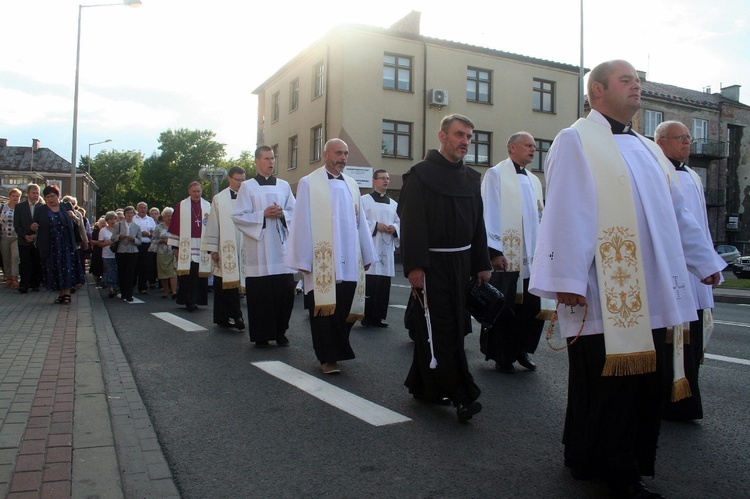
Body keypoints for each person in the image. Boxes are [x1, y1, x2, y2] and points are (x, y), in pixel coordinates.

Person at [528, 60, 725, 498]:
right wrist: (567, 278)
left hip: (655, 288)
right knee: (606, 385)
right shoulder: (576, 140)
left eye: (639, 81)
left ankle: (597, 458)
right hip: (605, 289)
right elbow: (566, 209)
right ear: (597, 90)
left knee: (641, 385)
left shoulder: (651, 150)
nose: (637, 86)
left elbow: (678, 215)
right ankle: (615, 471)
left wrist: (704, 259)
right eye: (626, 80)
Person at [398, 114, 492, 423]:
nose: (465, 141)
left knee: (449, 325)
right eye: (459, 134)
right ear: (442, 136)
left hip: (462, 262)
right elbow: (412, 224)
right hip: (432, 264)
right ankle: (463, 396)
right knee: (442, 328)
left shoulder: (472, 178)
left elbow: (478, 225)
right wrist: (414, 266)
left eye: (468, 135)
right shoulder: (420, 175)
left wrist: (482, 263)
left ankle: (423, 385)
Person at [286, 139, 376, 374]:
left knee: (345, 307)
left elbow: (361, 223)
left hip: (349, 257)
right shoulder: (309, 182)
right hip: (322, 260)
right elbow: (301, 221)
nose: (343, 158)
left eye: (346, 154)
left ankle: (338, 350)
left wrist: (366, 252)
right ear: (325, 154)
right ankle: (328, 357)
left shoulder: (352, 184)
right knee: (324, 309)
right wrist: (302, 260)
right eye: (338, 153)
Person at [655, 120, 717, 421]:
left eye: (688, 138)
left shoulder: (692, 175)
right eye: (680, 138)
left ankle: (686, 398)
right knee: (670, 338)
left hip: (695, 272)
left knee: (692, 339)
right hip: (672, 270)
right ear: (660, 141)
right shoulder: (655, 170)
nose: (687, 142)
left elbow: (699, 226)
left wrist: (707, 260)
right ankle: (667, 399)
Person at [480, 132, 545, 373]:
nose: (533, 149)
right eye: (528, 145)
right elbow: (490, 212)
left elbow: (540, 217)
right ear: (512, 148)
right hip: (507, 255)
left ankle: (522, 350)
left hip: (532, 257)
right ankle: (501, 354)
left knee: (531, 307)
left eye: (534, 146)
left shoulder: (534, 180)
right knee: (504, 308)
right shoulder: (496, 174)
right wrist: (494, 251)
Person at [232, 148, 297, 345]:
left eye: (273, 158)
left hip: (281, 250)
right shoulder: (247, 187)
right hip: (259, 250)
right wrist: (262, 215)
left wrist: (282, 214)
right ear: (257, 161)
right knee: (261, 295)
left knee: (284, 293)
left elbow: (295, 212)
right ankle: (261, 335)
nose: (271, 162)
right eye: (267, 159)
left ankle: (280, 332)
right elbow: (238, 216)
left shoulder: (284, 185)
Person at [202, 166, 247, 330]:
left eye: (243, 180)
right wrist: (213, 248)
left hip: (244, 246)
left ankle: (233, 316)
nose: (240, 184)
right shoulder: (219, 199)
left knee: (235, 284)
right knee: (224, 283)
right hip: (225, 246)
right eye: (237, 180)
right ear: (229, 179)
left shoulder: (249, 196)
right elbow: (213, 224)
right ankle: (230, 317)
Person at [360, 169, 400, 329]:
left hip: (386, 247)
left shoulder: (394, 204)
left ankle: (378, 317)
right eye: (382, 178)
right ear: (374, 181)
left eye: (388, 178)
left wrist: (394, 228)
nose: (386, 181)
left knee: (383, 283)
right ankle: (366, 316)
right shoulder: (364, 200)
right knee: (371, 282)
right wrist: (376, 225)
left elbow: (399, 221)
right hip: (371, 245)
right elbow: (360, 221)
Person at [33, 185, 86, 304]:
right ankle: (61, 294)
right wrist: (33, 227)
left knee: (67, 267)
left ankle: (67, 294)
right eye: (47, 197)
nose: (51, 199)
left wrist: (73, 217)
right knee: (54, 268)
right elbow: (34, 225)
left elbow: (78, 223)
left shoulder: (66, 206)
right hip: (50, 244)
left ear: (58, 196)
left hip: (66, 243)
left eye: (53, 196)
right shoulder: (40, 210)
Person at [168, 181, 210, 312]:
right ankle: (188, 300)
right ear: (189, 192)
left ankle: (198, 299)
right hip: (187, 243)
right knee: (189, 275)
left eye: (199, 191)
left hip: (202, 243)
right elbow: (175, 226)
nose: (197, 194)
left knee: (199, 274)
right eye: (194, 191)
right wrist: (176, 247)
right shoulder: (181, 206)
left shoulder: (208, 206)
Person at [13, 183, 43, 293]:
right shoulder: (20, 207)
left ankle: (35, 284)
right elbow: (17, 225)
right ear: (28, 194)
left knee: (36, 262)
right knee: (25, 263)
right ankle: (24, 285)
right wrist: (25, 235)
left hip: (37, 241)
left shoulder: (42, 207)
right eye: (33, 193)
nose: (35, 195)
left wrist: (36, 235)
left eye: (37, 193)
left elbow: (44, 225)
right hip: (24, 240)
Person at [112, 206, 142, 302]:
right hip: (121, 251)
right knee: (122, 272)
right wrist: (119, 237)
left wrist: (133, 239)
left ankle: (129, 294)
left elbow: (139, 241)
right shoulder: (118, 225)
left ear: (134, 214)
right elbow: (113, 237)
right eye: (128, 213)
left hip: (132, 251)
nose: (129, 214)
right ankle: (123, 292)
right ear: (125, 214)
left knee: (130, 273)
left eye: (131, 213)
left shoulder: (137, 226)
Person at [153, 207, 177, 299]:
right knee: (163, 273)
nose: (170, 218)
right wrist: (163, 240)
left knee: (173, 272)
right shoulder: (159, 227)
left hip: (173, 252)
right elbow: (154, 239)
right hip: (162, 252)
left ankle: (174, 292)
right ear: (163, 217)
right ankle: (165, 291)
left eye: (171, 216)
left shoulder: (176, 226)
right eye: (167, 216)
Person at [1, 188, 22, 289]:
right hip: (4, 236)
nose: (15, 198)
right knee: (6, 258)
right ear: (9, 196)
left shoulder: (20, 208)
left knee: (15, 257)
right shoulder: (2, 207)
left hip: (16, 237)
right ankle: (8, 277)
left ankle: (14, 278)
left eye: (18, 196)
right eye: (14, 196)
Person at [134, 201, 156, 294]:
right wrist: (139, 233)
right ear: (137, 209)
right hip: (136, 244)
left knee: (145, 266)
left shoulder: (150, 219)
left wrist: (149, 234)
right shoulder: (134, 219)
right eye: (141, 208)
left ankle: (143, 287)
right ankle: (132, 284)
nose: (142, 209)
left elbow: (154, 233)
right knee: (134, 265)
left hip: (147, 245)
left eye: (144, 208)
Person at [98, 212, 119, 298]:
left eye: (114, 219)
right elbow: (99, 243)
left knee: (116, 270)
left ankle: (115, 286)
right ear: (107, 220)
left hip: (117, 254)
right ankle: (110, 288)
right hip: (107, 255)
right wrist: (109, 243)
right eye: (110, 219)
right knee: (109, 271)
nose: (112, 221)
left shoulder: (118, 229)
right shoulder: (103, 231)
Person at [89, 216, 105, 284]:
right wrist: (100, 242)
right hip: (97, 249)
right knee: (97, 263)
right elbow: (91, 241)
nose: (103, 225)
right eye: (101, 223)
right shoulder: (95, 231)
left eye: (104, 223)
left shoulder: (107, 230)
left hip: (105, 249)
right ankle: (98, 277)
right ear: (98, 224)